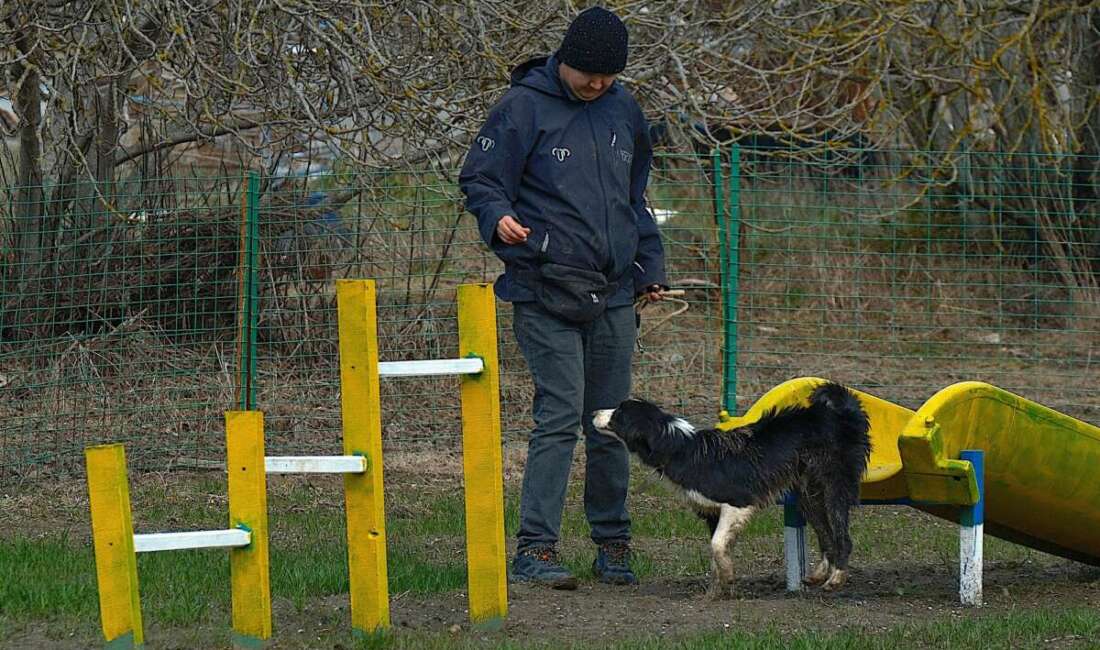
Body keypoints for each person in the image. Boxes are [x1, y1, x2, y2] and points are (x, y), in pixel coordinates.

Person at [459, 6, 667, 589]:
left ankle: (612, 543)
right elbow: (480, 179)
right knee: (558, 418)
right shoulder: (521, 107)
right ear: (564, 60)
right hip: (544, 286)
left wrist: (649, 265)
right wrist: (498, 217)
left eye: (607, 77)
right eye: (588, 75)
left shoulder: (624, 110)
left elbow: (636, 198)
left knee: (612, 422)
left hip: (614, 292)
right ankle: (537, 548)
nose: (597, 85)